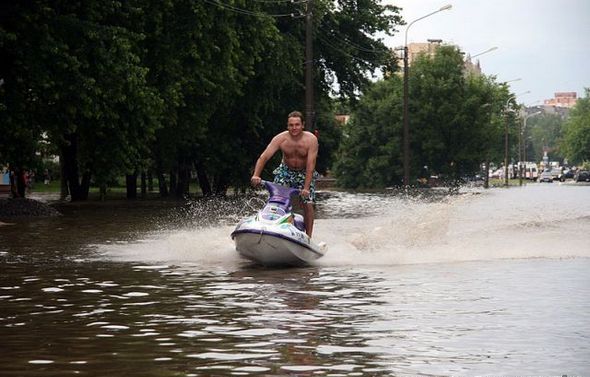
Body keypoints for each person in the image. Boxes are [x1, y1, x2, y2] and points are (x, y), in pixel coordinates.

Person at [251, 111, 319, 237]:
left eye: (297, 125)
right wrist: (256, 175)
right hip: (285, 171)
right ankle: (269, 225)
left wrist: (305, 188)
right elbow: (264, 157)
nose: (294, 128)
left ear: (302, 125)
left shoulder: (311, 140)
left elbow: (311, 165)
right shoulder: (280, 138)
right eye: (291, 125)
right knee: (276, 198)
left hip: (305, 173)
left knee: (307, 203)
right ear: (287, 126)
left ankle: (308, 237)